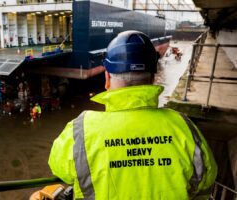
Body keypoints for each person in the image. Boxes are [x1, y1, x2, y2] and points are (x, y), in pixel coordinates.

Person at [48, 31, 217, 200]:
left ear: (106, 77)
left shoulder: (80, 130)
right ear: (153, 78)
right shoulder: (184, 127)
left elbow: (60, 169)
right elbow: (206, 178)